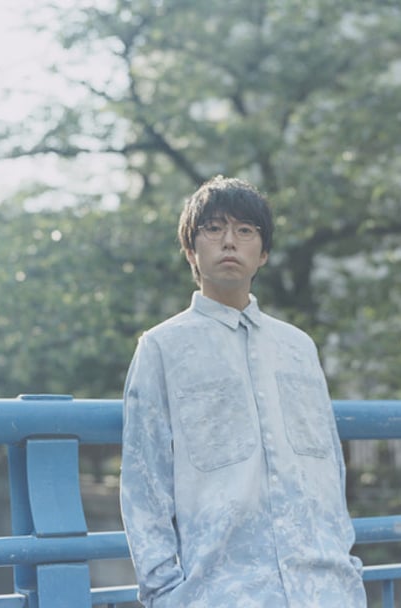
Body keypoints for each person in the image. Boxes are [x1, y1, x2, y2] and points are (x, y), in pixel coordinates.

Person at [120, 176, 367, 607]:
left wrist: (345, 567)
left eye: (245, 230)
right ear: (191, 250)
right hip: (222, 592)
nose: (229, 241)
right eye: (214, 229)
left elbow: (330, 466)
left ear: (263, 253)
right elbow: (144, 477)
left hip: (324, 588)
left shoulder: (298, 347)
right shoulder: (163, 347)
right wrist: (164, 593)